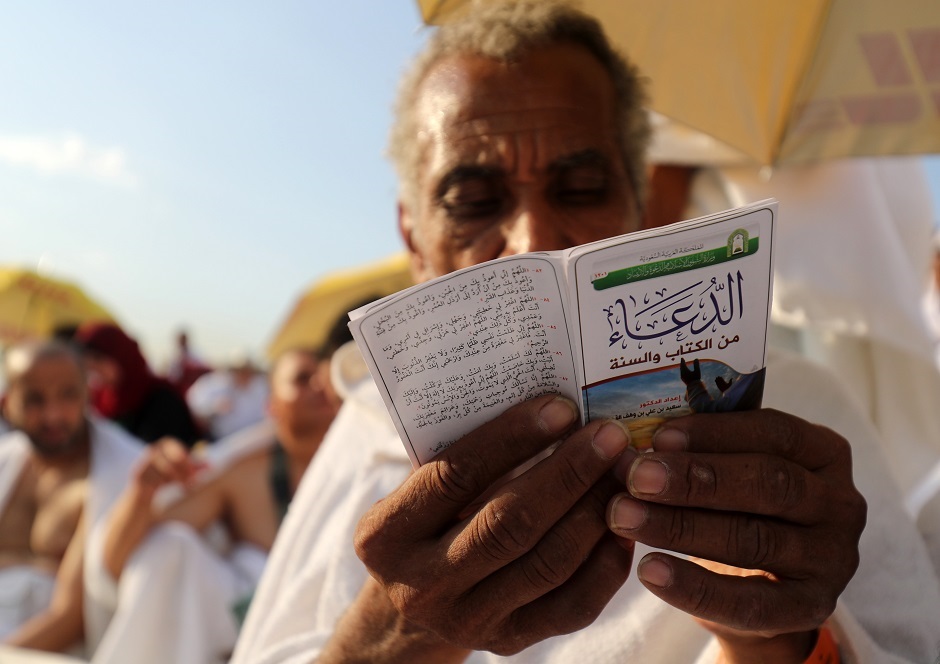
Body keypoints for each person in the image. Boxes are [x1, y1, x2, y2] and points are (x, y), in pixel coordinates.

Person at [233, 3, 940, 663]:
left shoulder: (785, 410)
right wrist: (387, 641)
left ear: (637, 207)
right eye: (475, 202)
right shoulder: (366, 428)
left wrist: (781, 639)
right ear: (413, 236)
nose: (534, 239)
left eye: (579, 190)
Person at [90, 342, 344, 664]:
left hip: (339, 634)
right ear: (272, 405)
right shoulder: (241, 473)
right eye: (303, 379)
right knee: (171, 546)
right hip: (250, 641)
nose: (321, 387)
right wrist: (143, 493)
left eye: (328, 378)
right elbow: (125, 559)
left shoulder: (369, 468)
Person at [0, 340, 142, 654]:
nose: (53, 415)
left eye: (68, 395)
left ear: (87, 395)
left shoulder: (118, 477)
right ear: (9, 403)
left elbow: (70, 619)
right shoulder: (7, 461)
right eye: (34, 399)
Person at [74, 323, 200, 446]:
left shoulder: (162, 399)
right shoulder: (101, 402)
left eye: (99, 361)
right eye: (89, 366)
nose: (95, 371)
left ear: (122, 356)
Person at [186, 352, 269, 441]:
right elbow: (195, 403)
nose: (243, 374)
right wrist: (214, 407)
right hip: (222, 442)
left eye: (246, 370)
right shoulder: (216, 383)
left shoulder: (260, 386)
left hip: (255, 441)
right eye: (238, 370)